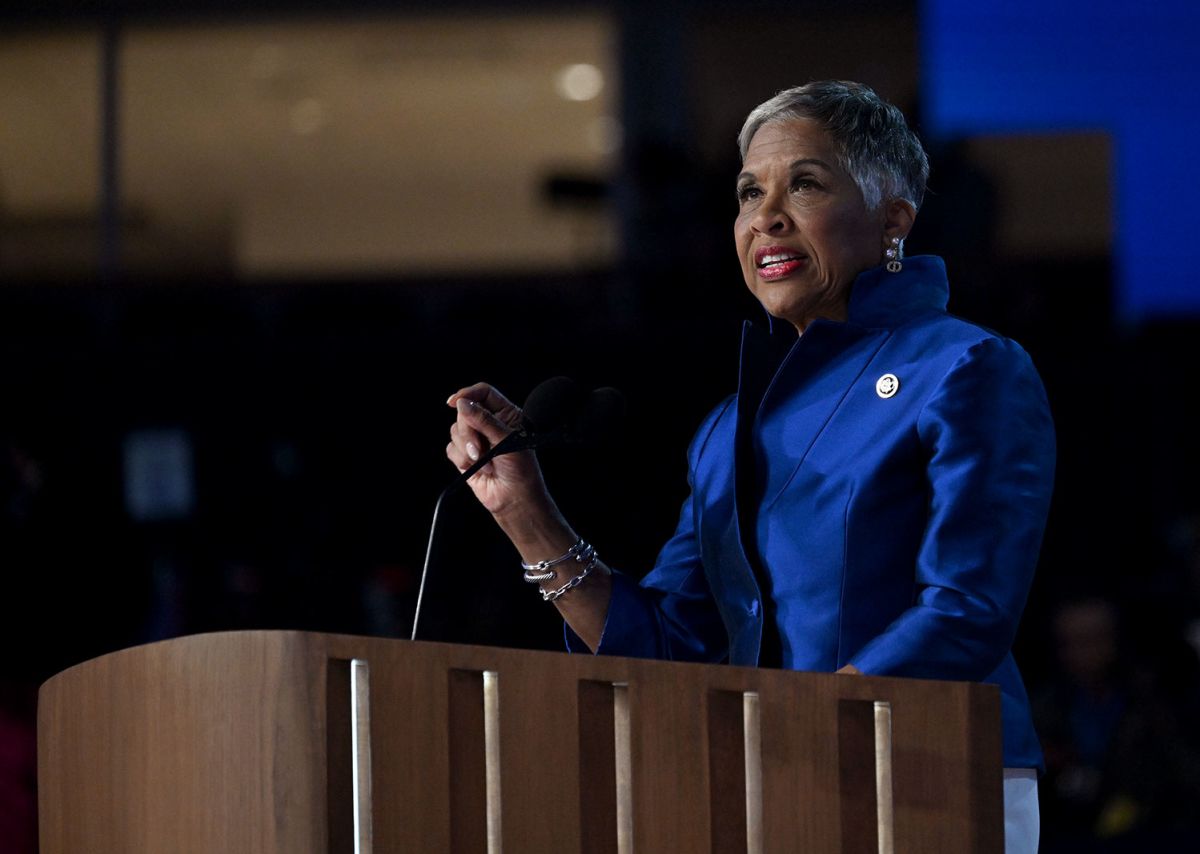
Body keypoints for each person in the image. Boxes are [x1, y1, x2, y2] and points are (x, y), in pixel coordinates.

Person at [445, 81, 1054, 852]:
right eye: (748, 192)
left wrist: (794, 726)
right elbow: (666, 650)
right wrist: (524, 514)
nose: (766, 215)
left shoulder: (968, 367)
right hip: (769, 784)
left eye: (804, 183)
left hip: (932, 772)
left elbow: (968, 608)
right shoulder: (727, 430)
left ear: (893, 218)